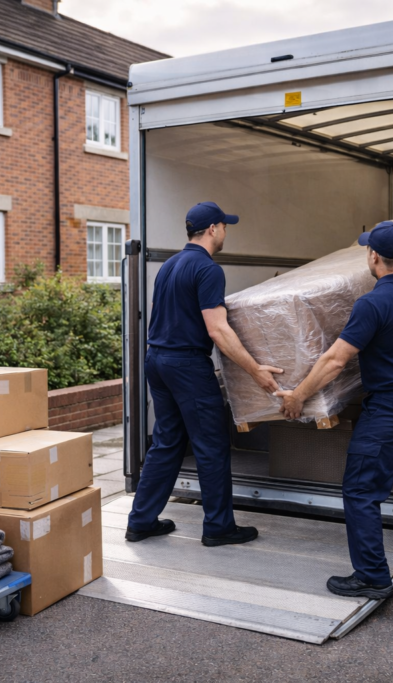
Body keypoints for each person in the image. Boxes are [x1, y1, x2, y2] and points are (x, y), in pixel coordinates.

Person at [275, 221, 393, 599]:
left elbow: (335, 360)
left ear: (374, 256)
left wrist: (298, 395)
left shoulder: (373, 302)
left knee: (361, 489)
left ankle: (372, 576)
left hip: (391, 410)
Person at [126, 202, 283, 547]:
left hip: (158, 360)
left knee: (166, 442)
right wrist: (255, 370)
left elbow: (161, 314)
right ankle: (218, 527)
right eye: (225, 226)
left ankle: (141, 521)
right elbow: (218, 330)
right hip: (187, 366)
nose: (226, 231)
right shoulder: (208, 269)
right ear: (213, 229)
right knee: (211, 445)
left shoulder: (169, 266)